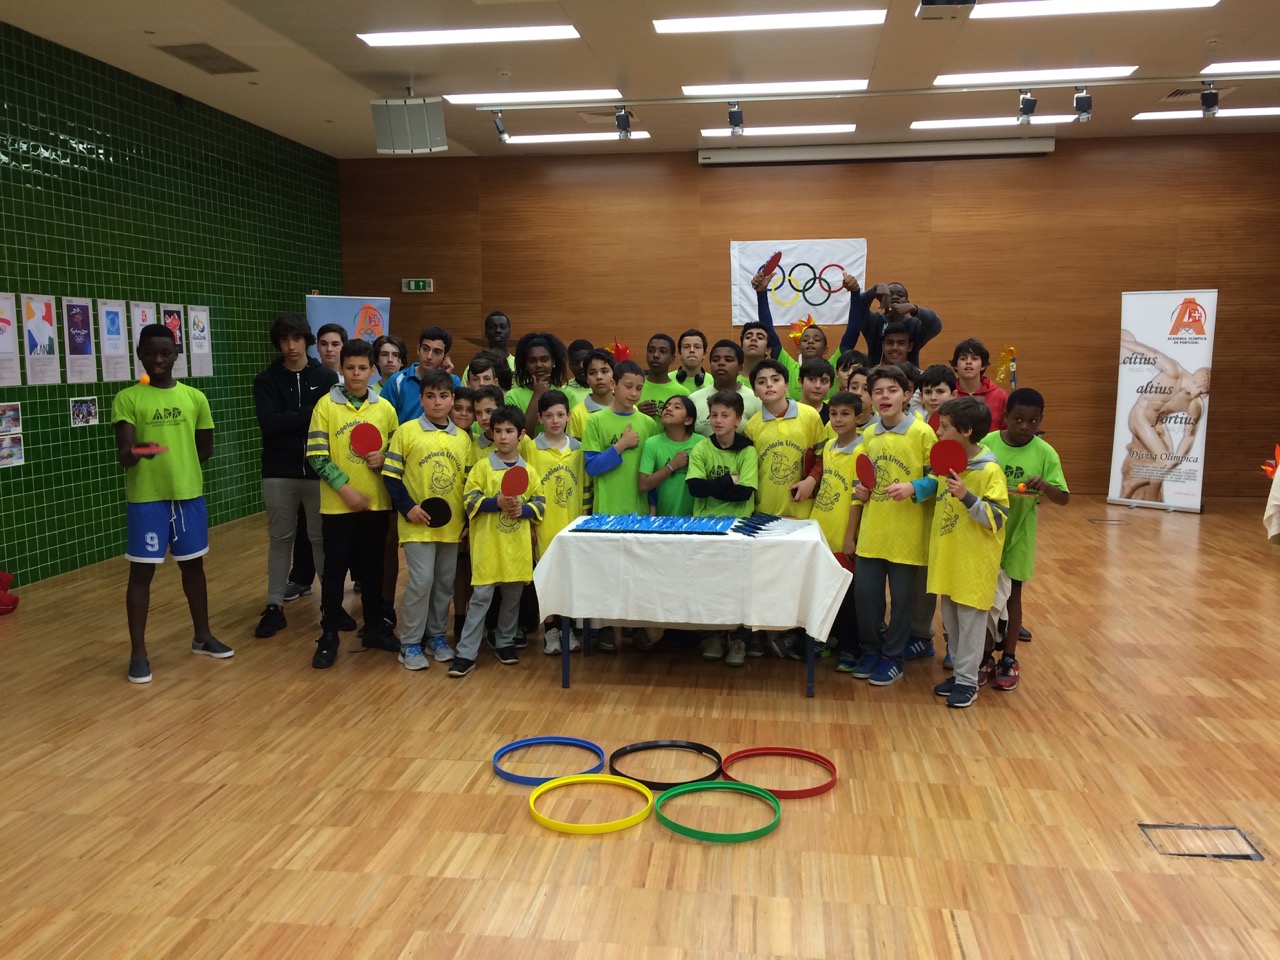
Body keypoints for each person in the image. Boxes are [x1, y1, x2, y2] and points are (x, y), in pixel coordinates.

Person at [112, 324, 228, 683]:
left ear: (177, 354)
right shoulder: (128, 398)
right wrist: (139, 451)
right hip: (147, 499)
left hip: (188, 495)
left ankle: (203, 637)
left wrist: (180, 465)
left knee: (193, 567)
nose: (158, 359)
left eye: (165, 353)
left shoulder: (195, 398)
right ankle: (138, 654)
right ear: (140, 355)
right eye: (150, 353)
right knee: (141, 574)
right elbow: (124, 456)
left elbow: (204, 449)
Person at [306, 339, 400, 669]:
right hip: (337, 507)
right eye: (350, 368)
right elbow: (316, 455)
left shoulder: (385, 409)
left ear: (373, 370)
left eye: (362, 368)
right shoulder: (325, 406)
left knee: (373, 571)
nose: (356, 374)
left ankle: (373, 628)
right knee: (334, 572)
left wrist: (384, 458)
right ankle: (329, 634)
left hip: (376, 505)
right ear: (341, 369)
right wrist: (344, 490)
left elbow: (397, 453)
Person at [916, 397, 1008, 709]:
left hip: (974, 563)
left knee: (971, 625)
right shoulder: (948, 466)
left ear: (966, 431)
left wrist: (968, 497)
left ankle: (969, 683)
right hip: (949, 557)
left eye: (944, 427)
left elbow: (997, 517)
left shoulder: (989, 470)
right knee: (952, 623)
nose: (938, 432)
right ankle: (959, 675)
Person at [381, 370, 474, 670]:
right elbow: (391, 476)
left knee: (444, 584)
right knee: (421, 582)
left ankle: (436, 637)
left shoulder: (462, 439)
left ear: (452, 399)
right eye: (430, 396)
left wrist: (467, 522)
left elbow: (469, 484)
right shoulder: (406, 432)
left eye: (443, 396)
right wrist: (408, 508)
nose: (437, 402)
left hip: (451, 527)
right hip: (416, 524)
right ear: (421, 399)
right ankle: (409, 643)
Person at [252, 313, 337, 639]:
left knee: (320, 539)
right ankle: (274, 606)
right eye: (285, 340)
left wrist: (292, 418)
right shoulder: (266, 380)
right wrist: (310, 413)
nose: (291, 346)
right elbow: (269, 424)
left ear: (306, 341)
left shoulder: (326, 377)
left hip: (319, 472)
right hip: (278, 471)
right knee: (280, 540)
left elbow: (329, 422)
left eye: (297, 339)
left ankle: (331, 606)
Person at [850, 364, 936, 687]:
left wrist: (914, 487)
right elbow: (860, 479)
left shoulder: (923, 433)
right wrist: (860, 490)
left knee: (902, 601)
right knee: (866, 596)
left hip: (907, 535)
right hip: (872, 533)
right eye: (878, 392)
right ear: (870, 398)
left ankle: (893, 656)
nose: (884, 396)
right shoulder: (868, 435)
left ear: (907, 395)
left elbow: (939, 478)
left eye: (892, 390)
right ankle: (871, 650)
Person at [980, 388, 1069, 691]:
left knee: (1013, 595)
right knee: (984, 596)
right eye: (1017, 419)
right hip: (987, 532)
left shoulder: (1045, 453)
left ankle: (1009, 658)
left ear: (1041, 420)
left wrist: (1046, 486)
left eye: (1033, 421)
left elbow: (1063, 498)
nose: (1024, 427)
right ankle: (984, 656)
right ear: (1005, 416)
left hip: (1020, 535)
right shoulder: (988, 443)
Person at [453, 407, 546, 677]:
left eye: (509, 431)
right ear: (492, 435)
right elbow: (469, 500)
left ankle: (504, 641)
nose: (503, 436)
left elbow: (540, 504)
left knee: (512, 599)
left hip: (516, 550)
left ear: (521, 435)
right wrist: (497, 503)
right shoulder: (482, 468)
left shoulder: (529, 471)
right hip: (487, 548)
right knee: (480, 599)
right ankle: (466, 652)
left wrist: (523, 510)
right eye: (498, 431)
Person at [582, 359, 659, 652]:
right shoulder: (596, 421)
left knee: (637, 573)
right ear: (614, 384)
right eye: (628, 386)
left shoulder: (648, 424)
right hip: (606, 511)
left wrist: (652, 507)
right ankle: (604, 627)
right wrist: (621, 445)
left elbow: (650, 473)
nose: (634, 393)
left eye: (639, 388)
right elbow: (592, 467)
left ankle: (634, 624)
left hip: (638, 511)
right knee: (606, 573)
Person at [686, 390, 759, 664]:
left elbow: (744, 493)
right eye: (713, 415)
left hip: (738, 528)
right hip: (705, 526)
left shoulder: (747, 450)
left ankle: (739, 640)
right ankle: (714, 636)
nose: (717, 420)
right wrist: (729, 479)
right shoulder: (701, 448)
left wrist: (713, 487)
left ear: (737, 419)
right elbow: (695, 489)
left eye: (725, 415)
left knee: (738, 586)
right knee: (710, 586)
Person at [520, 390, 585, 655]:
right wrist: (529, 524)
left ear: (569, 416)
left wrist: (585, 520)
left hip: (572, 525)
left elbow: (586, 488)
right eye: (549, 416)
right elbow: (524, 488)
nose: (555, 420)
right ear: (539, 418)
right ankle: (550, 631)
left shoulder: (579, 449)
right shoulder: (530, 448)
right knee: (546, 579)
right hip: (543, 525)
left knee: (569, 579)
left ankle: (567, 628)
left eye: (560, 415)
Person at [807, 391, 864, 672]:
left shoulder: (863, 450)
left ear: (858, 417)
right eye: (833, 414)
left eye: (845, 414)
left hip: (844, 533)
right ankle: (826, 639)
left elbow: (856, 499)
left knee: (848, 596)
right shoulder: (829, 447)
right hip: (822, 527)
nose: (838, 419)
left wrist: (850, 536)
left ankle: (851, 648)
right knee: (824, 590)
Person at [1117, 329, 1210, 502]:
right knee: (1163, 461)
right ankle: (1143, 493)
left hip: (1157, 425)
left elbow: (1189, 435)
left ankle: (1145, 491)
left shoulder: (1195, 404)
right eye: (1202, 390)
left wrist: (1178, 459)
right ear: (1196, 380)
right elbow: (1148, 352)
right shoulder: (1173, 371)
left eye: (1205, 394)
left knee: (1167, 459)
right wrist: (1123, 343)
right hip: (1139, 418)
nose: (1202, 395)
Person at [753, 268, 862, 401]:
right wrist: (761, 293)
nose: (810, 341)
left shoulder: (834, 367)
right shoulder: (788, 367)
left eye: (816, 339)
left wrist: (855, 294)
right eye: (805, 339)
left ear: (825, 349)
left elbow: (853, 331)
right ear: (799, 348)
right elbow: (768, 331)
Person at [743, 359, 825, 520]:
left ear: (786, 385)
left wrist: (811, 480)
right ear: (754, 391)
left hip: (804, 511)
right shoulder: (751, 427)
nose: (769, 385)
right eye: (761, 382)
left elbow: (824, 456)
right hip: (764, 512)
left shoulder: (810, 415)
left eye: (775, 379)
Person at [846, 278, 943, 367]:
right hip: (876, 376)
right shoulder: (874, 321)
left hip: (909, 377)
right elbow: (858, 306)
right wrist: (874, 290)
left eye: (901, 295)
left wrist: (915, 309)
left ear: (907, 302)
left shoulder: (915, 325)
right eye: (889, 294)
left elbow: (936, 325)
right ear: (881, 300)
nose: (895, 297)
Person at [381, 326, 462, 424]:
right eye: (425, 349)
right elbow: (382, 418)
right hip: (405, 433)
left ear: (445, 356)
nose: (429, 356)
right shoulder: (397, 380)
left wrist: (444, 378)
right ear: (418, 349)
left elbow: (458, 419)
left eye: (436, 352)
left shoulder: (453, 381)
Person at [639, 395, 700, 517]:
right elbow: (643, 485)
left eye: (677, 407)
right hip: (663, 519)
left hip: (696, 520)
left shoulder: (701, 443)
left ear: (688, 420)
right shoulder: (652, 443)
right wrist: (672, 466)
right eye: (666, 406)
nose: (668, 409)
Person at [689, 340, 760, 437]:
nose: (721, 363)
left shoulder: (755, 399)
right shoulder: (694, 399)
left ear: (740, 368)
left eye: (728, 360)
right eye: (715, 360)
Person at [506, 331, 569, 436]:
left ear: (553, 362)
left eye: (544, 359)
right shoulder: (513, 396)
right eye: (532, 361)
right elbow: (520, 436)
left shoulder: (567, 395)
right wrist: (537, 396)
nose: (539, 365)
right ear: (525, 364)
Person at [953, 338, 1009, 432]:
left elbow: (1007, 431)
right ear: (955, 365)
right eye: (963, 358)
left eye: (974, 358)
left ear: (983, 365)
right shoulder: (948, 394)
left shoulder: (1000, 396)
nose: (968, 362)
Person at [638, 333, 689, 421]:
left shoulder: (682, 393)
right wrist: (636, 412)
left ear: (672, 359)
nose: (655, 355)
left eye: (662, 351)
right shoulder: (634, 386)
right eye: (651, 351)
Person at [568, 348, 615, 439]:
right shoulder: (576, 414)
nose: (599, 377)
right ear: (587, 379)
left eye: (604, 371)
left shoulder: (629, 408)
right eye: (592, 373)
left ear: (614, 374)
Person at [919, 363, 957, 432]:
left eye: (940, 391)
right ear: (921, 397)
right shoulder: (915, 426)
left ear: (953, 395)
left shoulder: (961, 429)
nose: (933, 397)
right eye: (928, 392)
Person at [799, 357, 836, 424]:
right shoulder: (788, 413)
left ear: (831, 385)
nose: (818, 386)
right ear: (801, 382)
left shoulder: (833, 417)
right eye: (812, 379)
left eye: (824, 381)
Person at [564, 339, 594, 408]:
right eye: (575, 363)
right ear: (570, 365)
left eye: (585, 361)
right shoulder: (564, 392)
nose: (581, 366)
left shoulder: (607, 386)